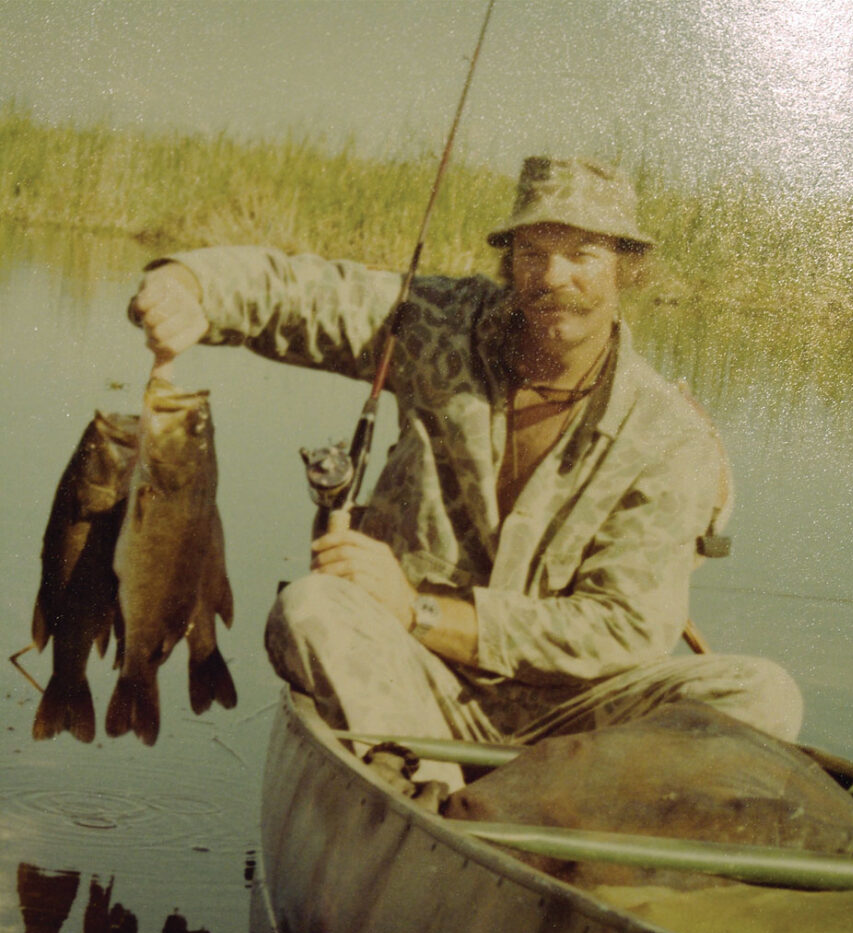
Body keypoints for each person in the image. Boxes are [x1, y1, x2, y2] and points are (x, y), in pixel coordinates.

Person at [130, 156, 802, 790]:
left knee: (760, 697)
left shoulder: (667, 435)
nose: (553, 277)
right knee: (311, 610)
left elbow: (625, 631)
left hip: (576, 717)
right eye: (532, 252)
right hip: (410, 680)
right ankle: (435, 791)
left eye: (582, 255)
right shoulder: (440, 325)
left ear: (627, 269)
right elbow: (305, 296)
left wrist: (418, 610)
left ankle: (544, 800)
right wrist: (189, 286)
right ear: (508, 261)